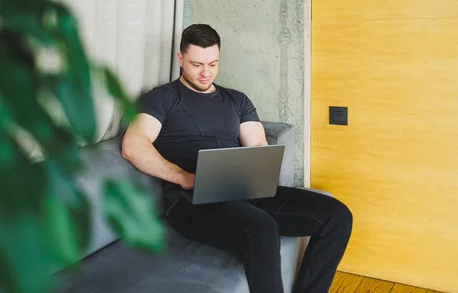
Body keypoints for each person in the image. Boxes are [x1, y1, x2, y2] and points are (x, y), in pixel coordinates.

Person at [121, 24, 352, 293]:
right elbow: (133, 144)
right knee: (261, 226)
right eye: (197, 64)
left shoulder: (237, 100)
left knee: (337, 216)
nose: (206, 72)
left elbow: (256, 144)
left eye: (213, 63)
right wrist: (181, 176)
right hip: (193, 202)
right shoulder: (162, 98)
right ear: (180, 59)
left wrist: (258, 167)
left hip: (241, 191)